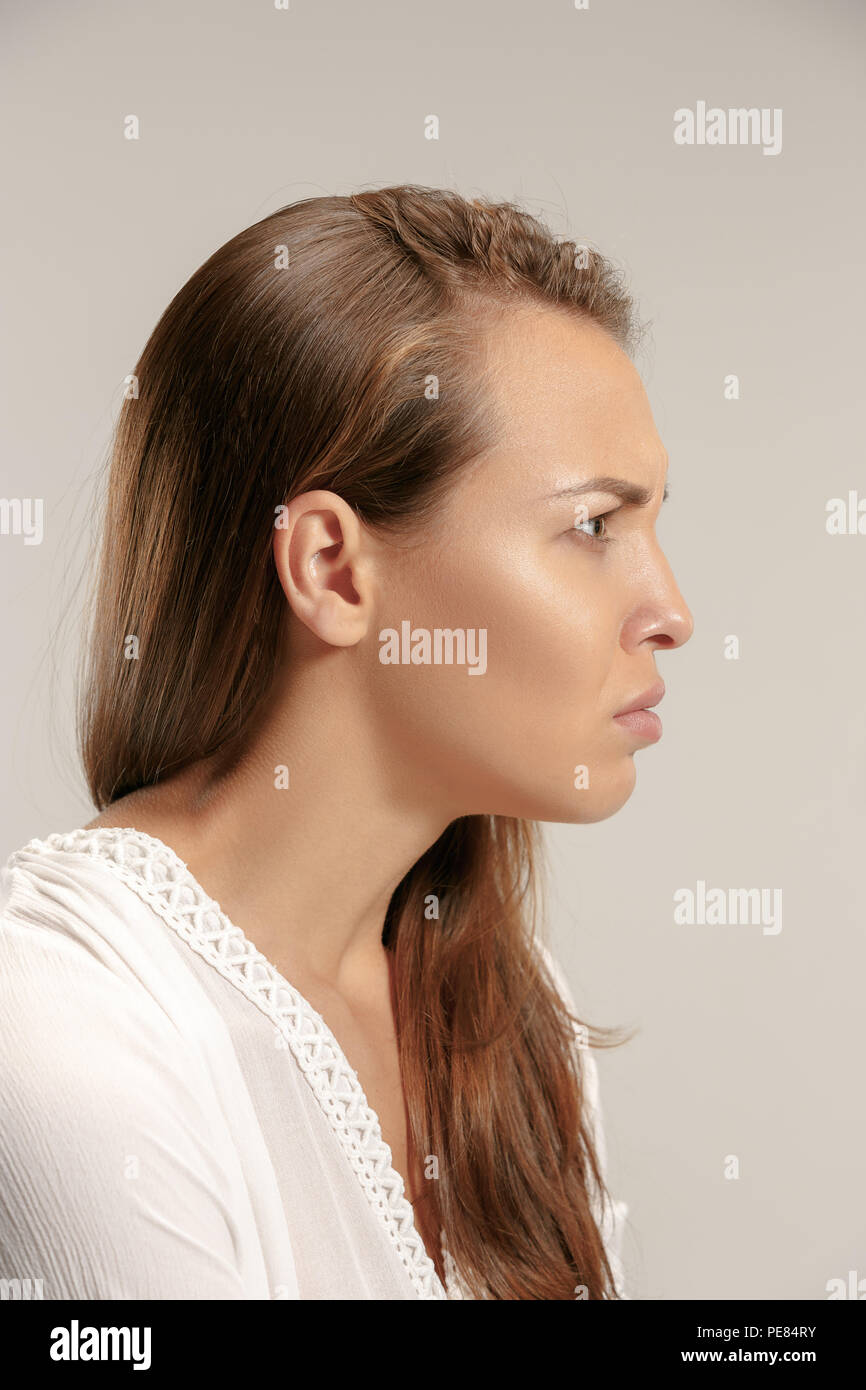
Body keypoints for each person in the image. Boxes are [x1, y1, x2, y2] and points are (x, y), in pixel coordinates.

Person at [0, 185, 693, 1300]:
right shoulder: (64, 1014)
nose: (669, 609)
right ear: (331, 567)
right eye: (591, 527)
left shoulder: (517, 1024)